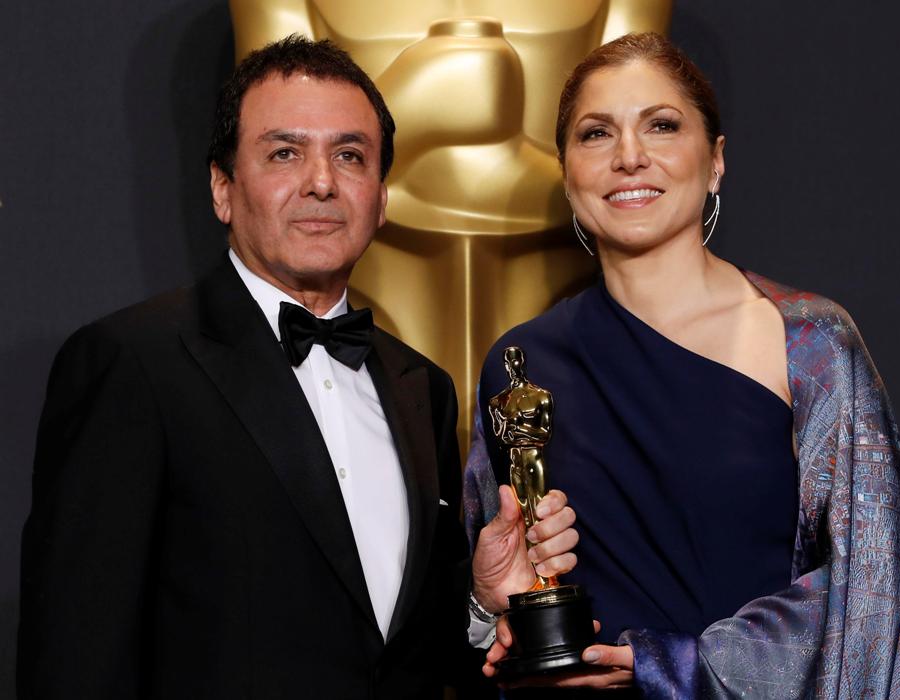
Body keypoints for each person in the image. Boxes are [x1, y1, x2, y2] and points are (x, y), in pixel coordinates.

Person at [18, 36, 574, 699]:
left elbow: (405, 649)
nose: (321, 181)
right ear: (222, 189)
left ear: (381, 198)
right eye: (285, 153)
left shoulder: (422, 387)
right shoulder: (132, 362)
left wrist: (481, 602)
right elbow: (76, 654)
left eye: (350, 156)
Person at [464, 33, 900, 698]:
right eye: (596, 134)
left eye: (661, 126)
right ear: (565, 169)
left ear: (715, 160)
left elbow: (872, 595)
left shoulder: (808, 343)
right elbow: (489, 625)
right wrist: (493, 609)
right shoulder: (520, 368)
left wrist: (676, 664)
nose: (629, 157)